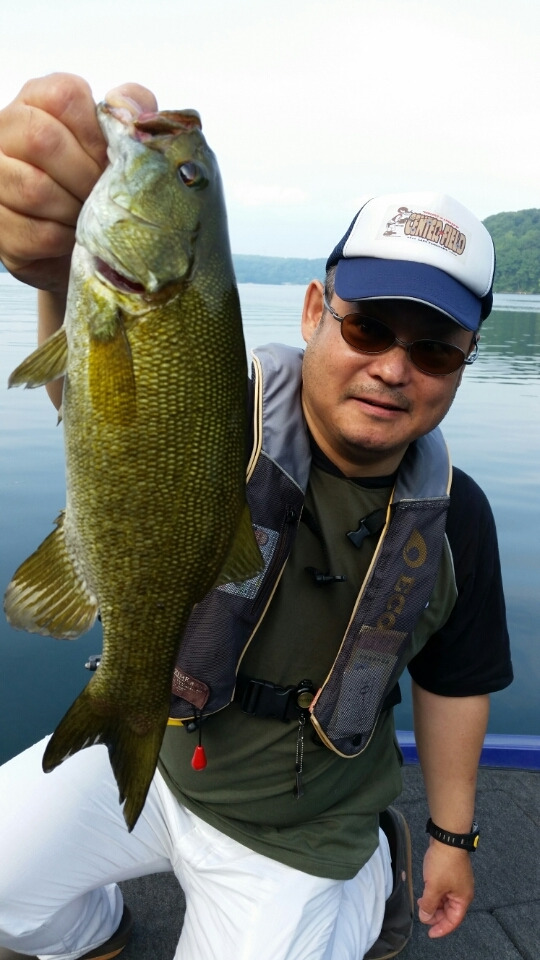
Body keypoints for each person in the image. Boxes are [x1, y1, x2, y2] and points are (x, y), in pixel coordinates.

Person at [0, 74, 512, 960]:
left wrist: (452, 838)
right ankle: (96, 931)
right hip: (167, 753)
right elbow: (100, 407)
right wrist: (56, 276)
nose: (394, 367)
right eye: (368, 327)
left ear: (463, 362)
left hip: (298, 832)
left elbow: (458, 682)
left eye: (433, 349)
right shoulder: (220, 420)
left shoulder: (456, 517)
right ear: (316, 312)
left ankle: (373, 874)